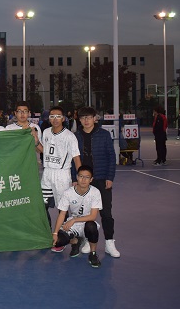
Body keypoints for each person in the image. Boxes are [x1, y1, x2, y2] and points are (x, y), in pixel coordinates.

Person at [73, 106, 119, 258]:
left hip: (101, 179)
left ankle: (109, 243)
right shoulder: (75, 136)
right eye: (82, 118)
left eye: (88, 117)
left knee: (106, 213)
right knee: (85, 213)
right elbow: (73, 160)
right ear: (79, 120)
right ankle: (88, 240)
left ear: (94, 118)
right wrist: (74, 179)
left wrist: (110, 177)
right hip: (83, 181)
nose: (86, 120)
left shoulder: (104, 135)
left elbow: (111, 157)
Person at [37, 106, 81, 240]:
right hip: (47, 173)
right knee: (42, 206)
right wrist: (35, 142)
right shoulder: (46, 132)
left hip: (62, 175)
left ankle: (67, 238)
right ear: (49, 118)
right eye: (52, 116)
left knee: (63, 209)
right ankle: (47, 235)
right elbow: (44, 150)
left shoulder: (69, 136)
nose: (55, 119)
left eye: (58, 116)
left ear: (63, 118)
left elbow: (76, 158)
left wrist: (80, 177)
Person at [51, 165, 102, 268]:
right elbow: (62, 214)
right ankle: (76, 241)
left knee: (91, 226)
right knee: (57, 242)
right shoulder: (68, 193)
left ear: (91, 179)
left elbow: (93, 216)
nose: (83, 180)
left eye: (87, 177)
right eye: (81, 176)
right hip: (73, 223)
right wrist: (55, 233)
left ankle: (93, 254)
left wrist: (74, 220)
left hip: (87, 222)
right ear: (77, 177)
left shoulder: (95, 192)